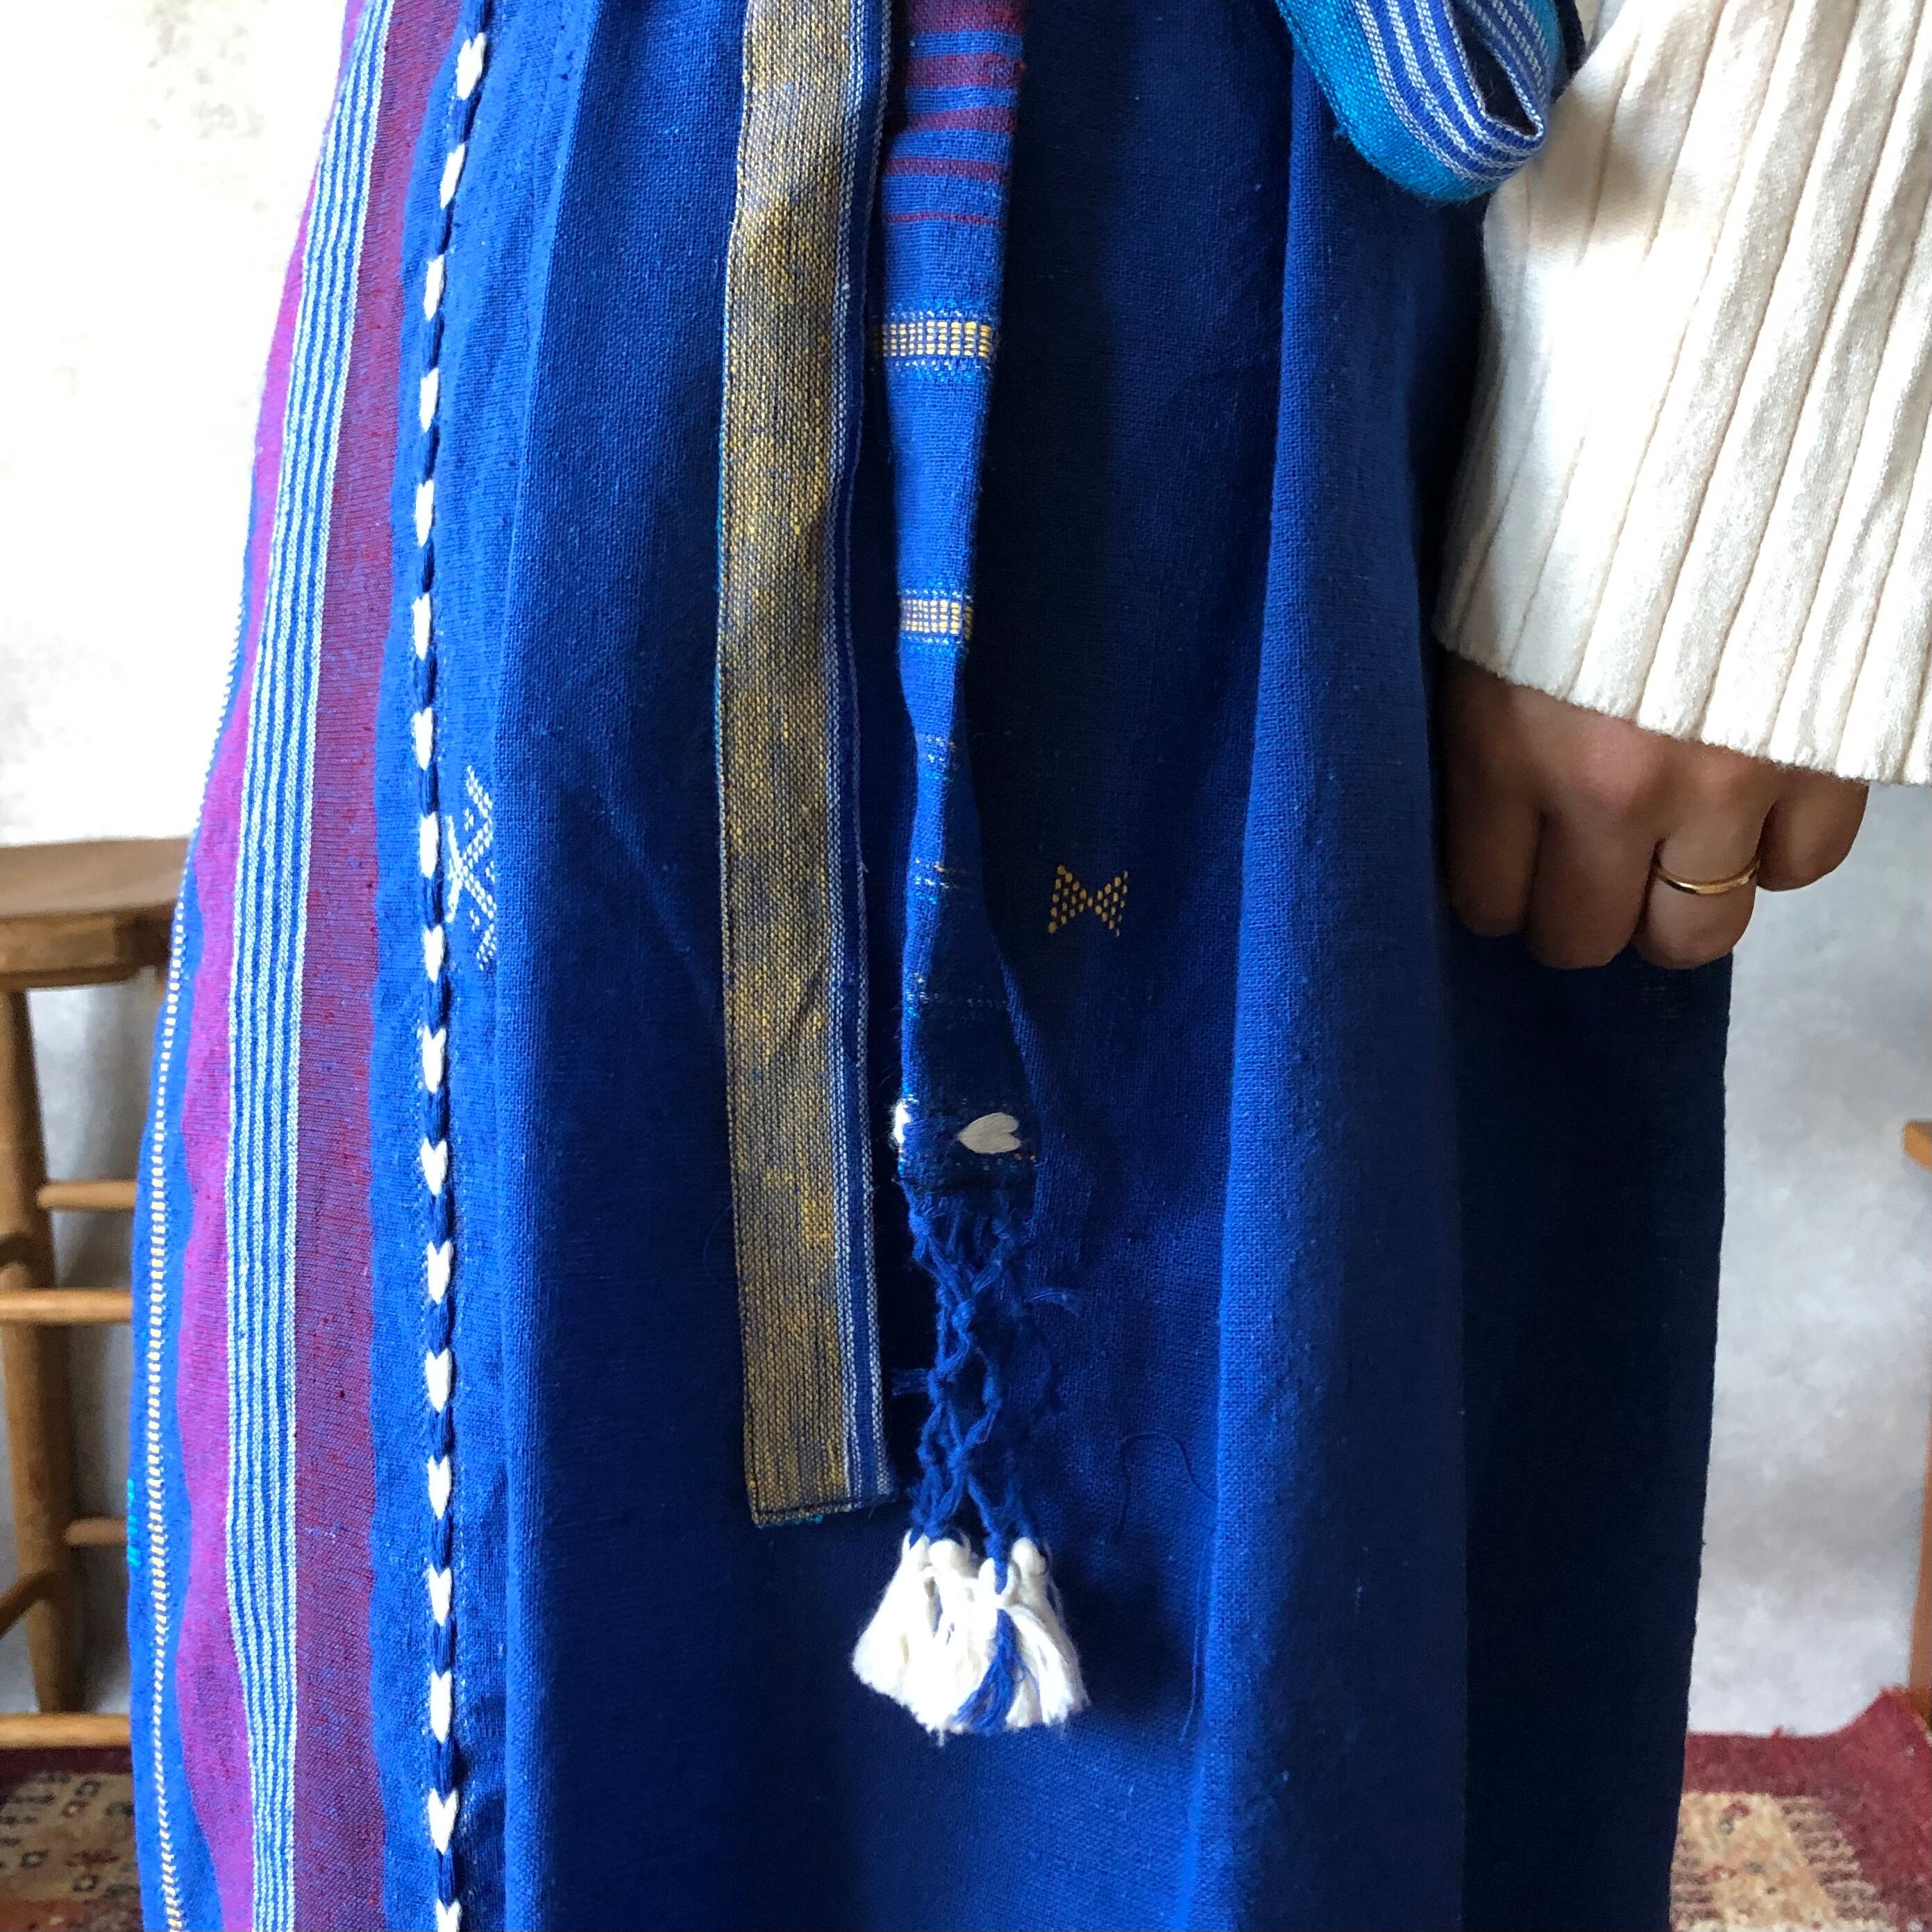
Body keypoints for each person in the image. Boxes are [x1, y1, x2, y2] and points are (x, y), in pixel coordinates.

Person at [126, 0, 1923, 1926]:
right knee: (455, 1555)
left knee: (1235, 1693)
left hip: (1202, 236)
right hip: (514, 224)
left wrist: (1744, 334)